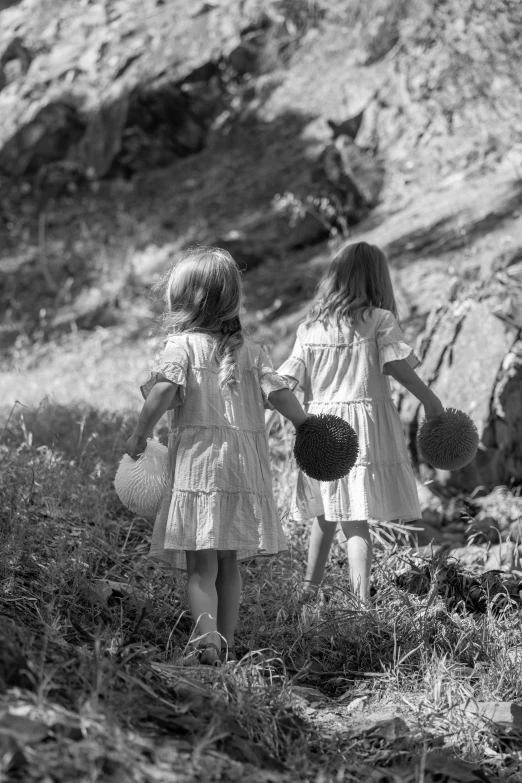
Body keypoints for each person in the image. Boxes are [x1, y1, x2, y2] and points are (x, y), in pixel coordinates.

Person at [125, 247, 307, 666]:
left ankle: (206, 643)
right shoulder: (252, 350)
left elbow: (163, 392)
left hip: (200, 469)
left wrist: (140, 433)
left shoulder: (181, 346)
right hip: (243, 471)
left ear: (184, 301)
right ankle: (224, 644)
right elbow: (279, 394)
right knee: (229, 566)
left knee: (200, 569)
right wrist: (305, 426)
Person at [277, 241, 444, 605]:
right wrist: (431, 400)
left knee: (326, 514)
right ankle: (361, 605)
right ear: (377, 280)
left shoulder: (310, 328)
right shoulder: (379, 320)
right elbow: (396, 366)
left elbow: (286, 381)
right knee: (355, 520)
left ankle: (308, 592)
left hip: (321, 430)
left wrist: (289, 415)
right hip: (360, 433)